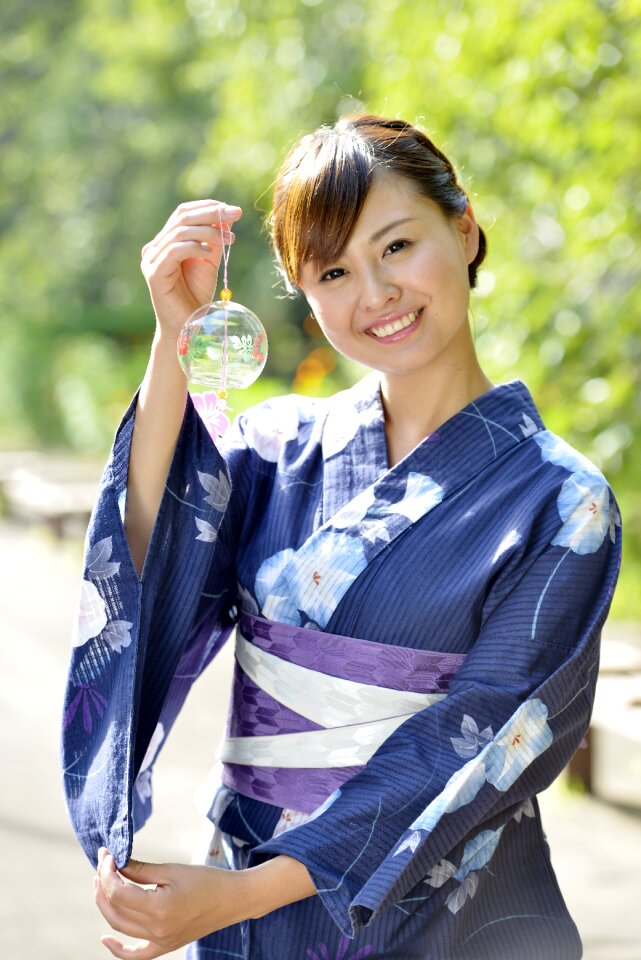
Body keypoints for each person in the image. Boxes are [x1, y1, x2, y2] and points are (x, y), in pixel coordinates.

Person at [62, 114, 621, 959]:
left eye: (397, 246)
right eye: (333, 270)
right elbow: (147, 562)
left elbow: (480, 739)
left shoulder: (561, 502)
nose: (374, 293)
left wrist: (245, 893)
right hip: (247, 899)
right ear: (304, 292)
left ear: (463, 230)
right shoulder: (277, 448)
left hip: (446, 912)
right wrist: (171, 344)